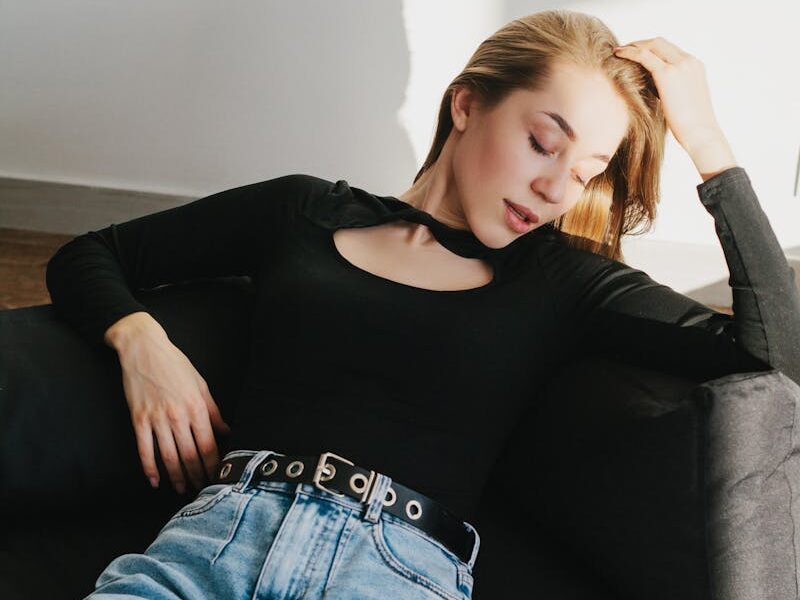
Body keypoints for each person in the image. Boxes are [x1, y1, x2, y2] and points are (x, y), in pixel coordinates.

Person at [45, 9, 800, 600]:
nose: (556, 188)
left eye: (586, 170)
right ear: (468, 105)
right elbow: (91, 254)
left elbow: (780, 350)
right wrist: (143, 343)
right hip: (210, 546)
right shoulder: (302, 213)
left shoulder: (567, 280)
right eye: (544, 142)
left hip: (396, 572)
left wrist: (707, 142)